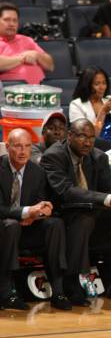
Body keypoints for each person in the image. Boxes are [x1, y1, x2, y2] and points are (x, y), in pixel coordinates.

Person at [41, 119, 111, 305]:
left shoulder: (98, 157)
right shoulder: (53, 156)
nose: (87, 142)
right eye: (82, 136)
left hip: (92, 211)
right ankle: (72, 282)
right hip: (63, 214)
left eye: (92, 138)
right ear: (69, 136)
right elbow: (66, 191)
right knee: (84, 219)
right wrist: (107, 199)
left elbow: (110, 188)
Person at [0, 128, 72, 310]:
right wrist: (26, 212)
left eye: (27, 146)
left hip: (27, 227)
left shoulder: (37, 172)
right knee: (11, 225)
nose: (23, 151)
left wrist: (41, 212)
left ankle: (58, 291)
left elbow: (40, 202)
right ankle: (6, 293)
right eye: (17, 146)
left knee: (55, 224)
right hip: (5, 228)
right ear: (7, 147)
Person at [69, 68, 111, 151]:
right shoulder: (77, 105)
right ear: (87, 85)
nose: (102, 87)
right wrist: (103, 112)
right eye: (97, 84)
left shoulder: (110, 100)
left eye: (104, 83)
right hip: (93, 152)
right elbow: (88, 138)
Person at [0, 2, 54, 84]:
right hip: (11, 93)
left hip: (41, 91)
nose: (12, 24)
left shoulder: (27, 40)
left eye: (15, 21)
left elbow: (50, 66)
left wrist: (37, 55)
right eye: (7, 20)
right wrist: (23, 58)